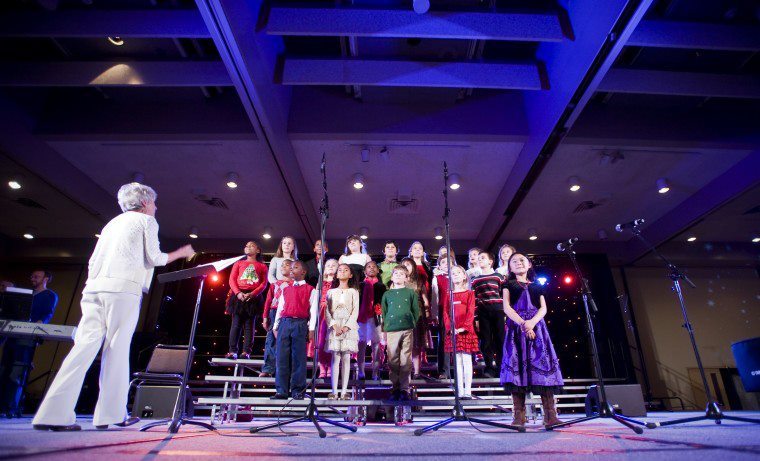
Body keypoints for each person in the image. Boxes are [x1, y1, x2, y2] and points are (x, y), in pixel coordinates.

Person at [32, 182, 195, 431]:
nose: (156, 206)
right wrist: (182, 253)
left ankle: (52, 414)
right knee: (116, 349)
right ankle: (110, 414)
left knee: (83, 348)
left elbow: (93, 260)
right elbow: (155, 258)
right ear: (144, 203)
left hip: (94, 288)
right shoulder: (146, 222)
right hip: (123, 289)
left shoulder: (111, 223)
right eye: (153, 202)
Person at [502, 253, 564, 428]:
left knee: (543, 367)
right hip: (517, 327)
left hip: (537, 327)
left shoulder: (537, 285)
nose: (519, 263)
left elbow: (543, 308)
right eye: (514, 261)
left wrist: (532, 323)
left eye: (522, 260)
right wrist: (523, 324)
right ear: (510, 268)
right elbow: (507, 307)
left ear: (529, 265)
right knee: (517, 368)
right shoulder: (508, 284)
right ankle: (519, 416)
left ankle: (550, 415)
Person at [0, 270, 58, 418]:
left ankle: (10, 407)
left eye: (37, 276)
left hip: (27, 336)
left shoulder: (49, 295)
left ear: (46, 279)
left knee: (17, 371)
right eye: (32, 276)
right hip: (13, 334)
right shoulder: (26, 293)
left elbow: (47, 313)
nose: (33, 278)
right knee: (4, 368)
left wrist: (40, 324)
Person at [271, 261, 318, 399]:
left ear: (303, 272)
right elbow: (281, 308)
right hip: (285, 323)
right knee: (282, 357)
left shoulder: (311, 290)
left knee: (298, 358)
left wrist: (311, 329)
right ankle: (281, 390)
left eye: (295, 267)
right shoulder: (286, 288)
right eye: (290, 268)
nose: (291, 270)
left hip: (300, 323)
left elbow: (313, 311)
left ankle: (297, 390)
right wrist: (275, 326)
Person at [381, 265, 420, 401]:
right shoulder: (387, 294)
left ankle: (404, 388)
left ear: (406, 277)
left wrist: (412, 322)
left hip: (407, 328)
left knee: (405, 358)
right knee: (392, 358)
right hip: (392, 329)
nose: (398, 275)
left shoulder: (410, 293)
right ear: (391, 277)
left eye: (401, 274)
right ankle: (395, 386)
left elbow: (416, 310)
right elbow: (384, 312)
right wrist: (385, 327)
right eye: (396, 273)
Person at [225, 241, 268, 360]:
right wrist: (238, 293)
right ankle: (232, 350)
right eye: (246, 246)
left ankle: (246, 352)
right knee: (236, 324)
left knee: (249, 325)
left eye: (251, 246)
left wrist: (253, 294)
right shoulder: (239, 263)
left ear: (258, 250)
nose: (248, 247)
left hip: (253, 297)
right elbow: (232, 280)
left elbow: (264, 283)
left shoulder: (262, 266)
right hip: (238, 296)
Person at [325, 264, 360, 399]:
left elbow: (355, 310)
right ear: (336, 274)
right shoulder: (331, 292)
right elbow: (327, 310)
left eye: (346, 270)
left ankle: (344, 391)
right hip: (335, 325)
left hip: (347, 326)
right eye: (340, 270)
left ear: (350, 275)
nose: (343, 272)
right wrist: (334, 325)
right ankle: (334, 391)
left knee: (346, 357)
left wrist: (347, 327)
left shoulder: (354, 291)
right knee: (336, 357)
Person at [444, 266, 478, 399]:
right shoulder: (449, 294)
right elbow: (446, 313)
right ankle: (459, 391)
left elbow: (471, 312)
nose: (456, 275)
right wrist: (450, 327)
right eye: (453, 273)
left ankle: (468, 390)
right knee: (457, 361)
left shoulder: (470, 293)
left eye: (459, 272)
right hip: (453, 330)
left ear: (464, 276)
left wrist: (464, 327)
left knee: (466, 359)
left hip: (465, 330)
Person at [471, 251, 506, 378]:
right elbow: (474, 300)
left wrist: (506, 311)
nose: (480, 260)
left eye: (483, 258)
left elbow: (504, 295)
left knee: (500, 339)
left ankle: (502, 366)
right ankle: (489, 367)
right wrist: (476, 318)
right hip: (483, 311)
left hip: (498, 310)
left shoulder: (499, 277)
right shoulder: (474, 280)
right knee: (486, 340)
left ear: (490, 261)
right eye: (478, 258)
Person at [260, 259, 293, 377]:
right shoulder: (275, 284)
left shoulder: (295, 284)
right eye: (282, 265)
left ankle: (284, 370)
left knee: (286, 341)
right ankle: (268, 368)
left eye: (287, 265)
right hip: (274, 312)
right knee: (271, 340)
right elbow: (268, 301)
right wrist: (265, 317)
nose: (283, 267)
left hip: (287, 314)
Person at [401, 257, 432, 379]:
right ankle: (405, 371)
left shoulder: (419, 281)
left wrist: (427, 312)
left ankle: (417, 372)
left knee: (416, 344)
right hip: (403, 315)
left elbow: (425, 300)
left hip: (418, 315)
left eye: (408, 264)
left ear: (413, 267)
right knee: (404, 345)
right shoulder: (398, 282)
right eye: (404, 265)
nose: (406, 267)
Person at [309, 259, 338, 380]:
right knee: (320, 340)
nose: (331, 267)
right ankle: (322, 366)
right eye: (328, 265)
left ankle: (331, 366)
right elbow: (316, 298)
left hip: (333, 313)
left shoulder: (338, 283)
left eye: (333, 266)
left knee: (332, 340)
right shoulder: (321, 282)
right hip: (321, 313)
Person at [357, 261, 387, 380]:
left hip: (376, 316)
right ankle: (361, 371)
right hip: (362, 317)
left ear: (378, 270)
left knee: (376, 345)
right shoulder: (360, 285)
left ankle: (375, 372)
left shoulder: (381, 286)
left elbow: (384, 303)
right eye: (368, 267)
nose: (371, 268)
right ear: (364, 271)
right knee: (361, 344)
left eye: (374, 266)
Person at [431, 253, 452, 379]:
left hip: (458, 312)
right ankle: (444, 370)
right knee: (444, 341)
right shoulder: (437, 278)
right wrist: (435, 314)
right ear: (439, 265)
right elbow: (435, 297)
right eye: (444, 262)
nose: (447, 264)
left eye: (449, 261)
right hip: (443, 311)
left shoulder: (458, 276)